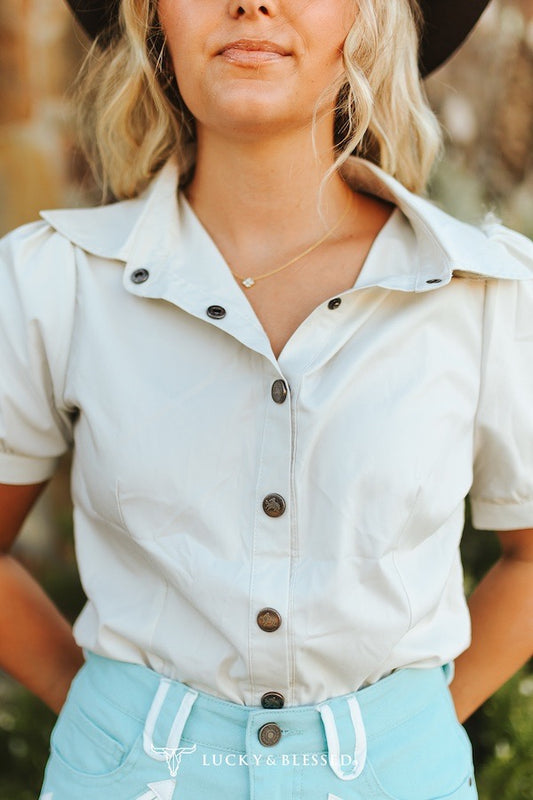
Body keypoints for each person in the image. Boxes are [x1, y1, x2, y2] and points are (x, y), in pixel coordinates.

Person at [0, 0, 532, 798]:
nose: (250, 3)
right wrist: (109, 721)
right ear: (154, 19)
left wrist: (404, 733)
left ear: (370, 20)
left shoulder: (483, 292)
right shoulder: (52, 281)